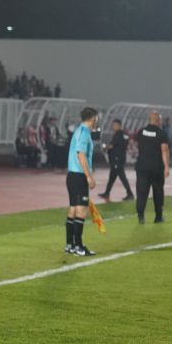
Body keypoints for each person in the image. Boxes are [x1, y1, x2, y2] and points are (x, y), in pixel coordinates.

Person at [64, 107, 98, 256]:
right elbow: (81, 155)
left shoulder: (79, 130)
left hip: (72, 175)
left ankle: (70, 245)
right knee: (81, 211)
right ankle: (78, 246)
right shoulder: (84, 132)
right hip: (79, 176)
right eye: (96, 118)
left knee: (72, 209)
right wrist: (88, 176)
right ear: (93, 118)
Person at [134, 112, 170, 224]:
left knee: (141, 192)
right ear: (158, 120)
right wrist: (166, 166)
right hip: (156, 168)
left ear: (149, 120)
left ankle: (141, 217)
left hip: (142, 167)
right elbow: (164, 150)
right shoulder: (161, 133)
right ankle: (158, 217)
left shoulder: (141, 132)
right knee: (158, 192)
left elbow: (137, 145)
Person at [98, 119, 133, 201]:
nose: (113, 126)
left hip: (117, 159)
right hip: (120, 158)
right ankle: (107, 193)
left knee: (122, 177)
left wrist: (105, 147)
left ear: (119, 125)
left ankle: (130, 193)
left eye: (114, 125)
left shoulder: (118, 134)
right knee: (112, 178)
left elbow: (112, 145)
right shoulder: (124, 134)